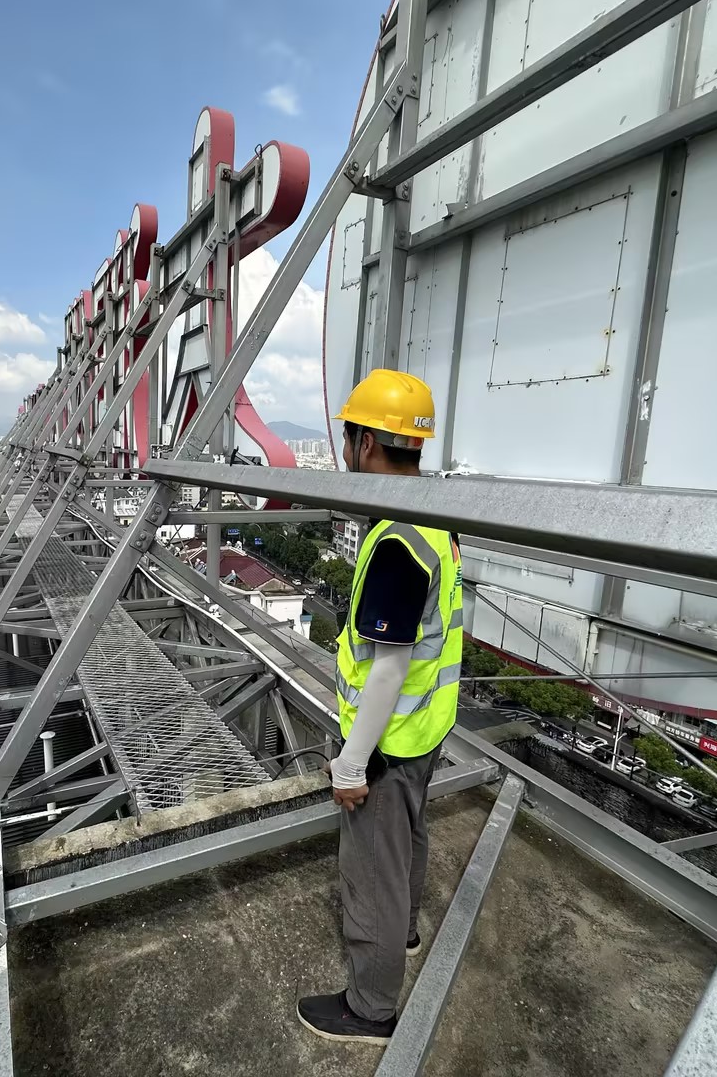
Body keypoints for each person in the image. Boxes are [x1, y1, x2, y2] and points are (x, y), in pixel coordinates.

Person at [298, 369, 463, 1044]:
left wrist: (350, 763)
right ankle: (409, 933)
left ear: (366, 441)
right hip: (426, 731)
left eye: (347, 438)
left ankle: (370, 1008)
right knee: (410, 844)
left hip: (389, 739)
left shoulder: (395, 541)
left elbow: (389, 670)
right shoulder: (437, 514)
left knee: (372, 872)